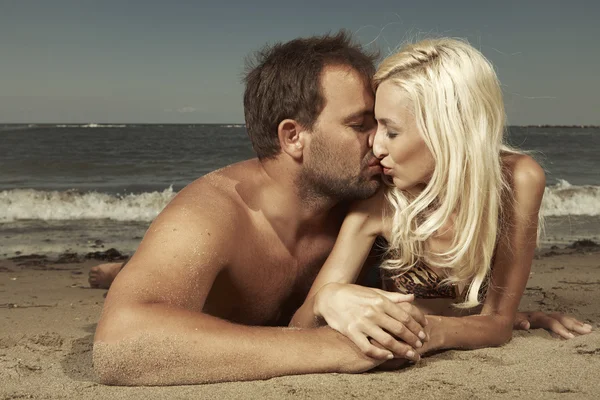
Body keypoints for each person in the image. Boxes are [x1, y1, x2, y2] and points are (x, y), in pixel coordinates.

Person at [93, 31, 428, 386]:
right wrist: (330, 348)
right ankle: (122, 270)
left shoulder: (368, 197)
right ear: (293, 136)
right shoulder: (210, 216)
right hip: (190, 261)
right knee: (155, 272)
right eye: (359, 125)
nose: (377, 142)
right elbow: (119, 345)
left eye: (380, 124)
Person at [290, 38, 593, 362]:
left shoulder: (517, 181)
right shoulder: (381, 200)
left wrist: (431, 331)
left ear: (448, 129)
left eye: (391, 131)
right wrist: (329, 298)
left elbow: (498, 323)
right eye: (374, 126)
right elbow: (299, 327)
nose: (376, 147)